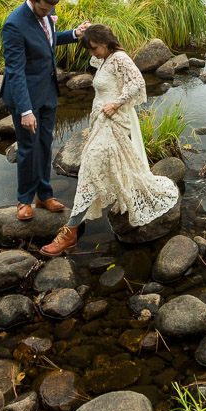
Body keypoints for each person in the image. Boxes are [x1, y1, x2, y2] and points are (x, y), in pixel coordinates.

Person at [40, 23, 180, 257]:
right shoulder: (104, 59)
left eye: (94, 48)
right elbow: (105, 70)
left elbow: (138, 83)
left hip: (114, 120)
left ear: (105, 43)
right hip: (100, 120)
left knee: (89, 167)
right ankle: (119, 195)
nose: (91, 53)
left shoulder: (120, 58)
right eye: (89, 49)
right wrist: (82, 32)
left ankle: (71, 231)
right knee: (119, 160)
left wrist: (116, 103)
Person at [0, 0, 90, 220]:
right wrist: (25, 110)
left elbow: (47, 41)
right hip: (25, 96)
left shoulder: (46, 12)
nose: (48, 13)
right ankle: (24, 201)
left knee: (44, 144)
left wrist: (73, 34)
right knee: (28, 147)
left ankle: (44, 195)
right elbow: (15, 71)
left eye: (51, 10)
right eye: (43, 10)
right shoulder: (13, 25)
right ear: (32, 1)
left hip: (48, 91)